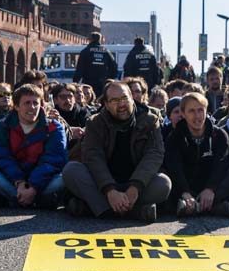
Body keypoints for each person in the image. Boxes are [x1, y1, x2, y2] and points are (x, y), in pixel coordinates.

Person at [62, 81, 170, 221]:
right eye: (114, 100)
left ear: (132, 98)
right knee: (71, 170)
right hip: (102, 185)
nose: (121, 104)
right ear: (106, 104)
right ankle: (133, 211)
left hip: (135, 184)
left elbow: (154, 154)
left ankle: (97, 208)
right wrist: (109, 190)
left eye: (124, 98)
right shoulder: (95, 122)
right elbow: (93, 157)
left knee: (163, 183)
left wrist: (135, 187)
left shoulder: (150, 120)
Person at [0, 84, 68, 209]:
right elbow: (1, 157)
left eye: (36, 103)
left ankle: (18, 199)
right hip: (13, 180)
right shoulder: (2, 127)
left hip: (43, 181)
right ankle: (30, 200)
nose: (32, 107)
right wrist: (19, 181)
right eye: (27, 103)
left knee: (66, 175)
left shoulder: (54, 127)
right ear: (17, 106)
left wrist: (34, 186)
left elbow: (53, 160)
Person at [163, 92, 229, 217]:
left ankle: (200, 206)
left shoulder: (220, 135)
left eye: (200, 110)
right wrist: (185, 192)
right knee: (165, 175)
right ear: (183, 114)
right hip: (187, 186)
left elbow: (220, 164)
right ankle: (210, 207)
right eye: (191, 111)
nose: (197, 116)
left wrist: (210, 189)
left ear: (206, 111)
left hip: (212, 188)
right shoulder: (174, 137)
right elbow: (174, 167)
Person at [73, 32, 118, 96]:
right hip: (102, 84)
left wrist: (75, 82)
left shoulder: (85, 51)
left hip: (88, 83)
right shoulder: (106, 52)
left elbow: (79, 69)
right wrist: (109, 79)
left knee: (88, 100)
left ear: (90, 40)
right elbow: (114, 67)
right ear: (99, 40)